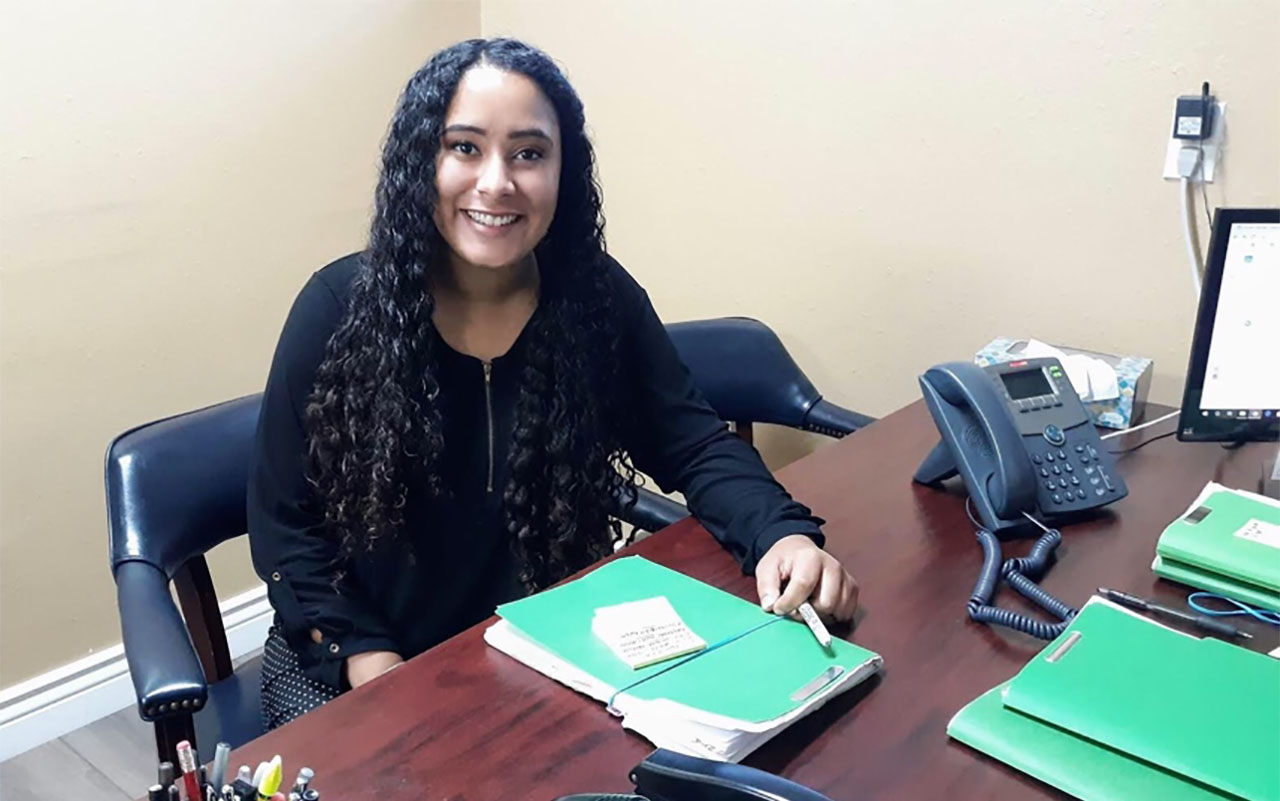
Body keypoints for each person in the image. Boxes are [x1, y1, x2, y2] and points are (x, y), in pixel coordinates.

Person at [247, 37, 858, 730]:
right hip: (357, 654)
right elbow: (287, 528)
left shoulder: (597, 300)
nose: (497, 182)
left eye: (529, 153)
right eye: (465, 147)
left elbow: (691, 443)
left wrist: (782, 535)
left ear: (565, 170)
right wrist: (372, 663)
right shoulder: (336, 309)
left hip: (541, 643)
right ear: (421, 161)